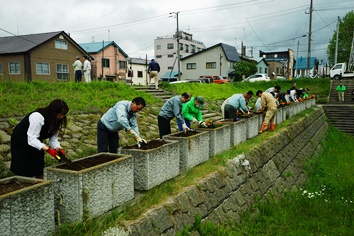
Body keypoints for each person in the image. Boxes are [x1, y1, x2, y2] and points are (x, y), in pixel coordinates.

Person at [10, 99, 69, 178]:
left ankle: (39, 184)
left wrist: (58, 148)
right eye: (60, 114)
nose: (61, 117)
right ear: (53, 111)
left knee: (38, 167)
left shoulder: (57, 120)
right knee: (23, 169)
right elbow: (32, 139)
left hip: (37, 142)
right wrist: (48, 149)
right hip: (21, 142)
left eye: (63, 115)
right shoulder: (38, 117)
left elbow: (53, 139)